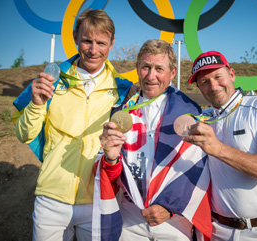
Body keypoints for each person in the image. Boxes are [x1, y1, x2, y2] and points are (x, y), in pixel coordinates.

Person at [12, 9, 134, 241]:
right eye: (87, 41)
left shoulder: (124, 90)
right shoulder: (51, 80)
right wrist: (37, 105)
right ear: (76, 37)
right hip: (51, 198)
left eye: (101, 42)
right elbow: (23, 134)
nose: (93, 49)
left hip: (99, 199)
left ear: (112, 44)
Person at [92, 39, 212, 241]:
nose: (151, 76)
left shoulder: (190, 111)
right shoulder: (121, 111)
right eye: (145, 67)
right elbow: (110, 172)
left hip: (174, 218)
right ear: (137, 68)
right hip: (130, 217)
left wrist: (170, 207)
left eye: (159, 68)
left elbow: (199, 165)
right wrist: (110, 159)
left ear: (172, 73)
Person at [184, 51, 257, 241]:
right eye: (205, 82)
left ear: (231, 74)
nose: (213, 86)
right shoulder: (203, 118)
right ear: (199, 87)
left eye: (218, 76)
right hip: (215, 230)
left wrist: (218, 149)